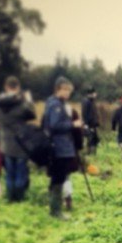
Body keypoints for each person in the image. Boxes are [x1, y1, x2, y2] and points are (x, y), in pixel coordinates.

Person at [42, 76, 81, 219]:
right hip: (59, 148)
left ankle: (54, 208)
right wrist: (73, 125)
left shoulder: (58, 103)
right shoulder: (55, 105)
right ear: (60, 89)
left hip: (63, 147)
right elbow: (54, 125)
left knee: (59, 178)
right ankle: (56, 211)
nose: (68, 94)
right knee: (58, 179)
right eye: (67, 90)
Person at [0, 76, 36, 202]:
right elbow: (32, 115)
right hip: (20, 143)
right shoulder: (22, 104)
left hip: (5, 144)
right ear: (17, 87)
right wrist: (29, 100)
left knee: (9, 173)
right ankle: (19, 197)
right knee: (20, 172)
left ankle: (11, 198)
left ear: (6, 87)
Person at [81, 87, 100, 155]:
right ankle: (89, 153)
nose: (96, 94)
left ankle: (93, 153)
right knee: (90, 139)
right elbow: (85, 113)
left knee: (95, 139)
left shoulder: (91, 101)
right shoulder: (87, 102)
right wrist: (86, 124)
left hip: (93, 124)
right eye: (95, 93)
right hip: (89, 124)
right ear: (91, 93)